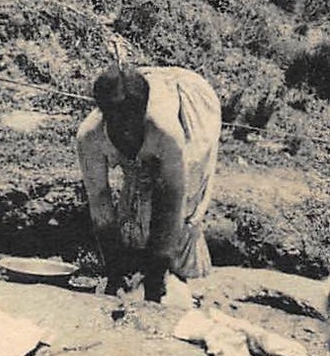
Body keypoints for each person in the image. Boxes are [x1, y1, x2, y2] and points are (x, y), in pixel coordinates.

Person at [75, 62, 222, 302]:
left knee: (186, 199)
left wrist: (155, 280)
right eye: (118, 124)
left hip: (192, 99)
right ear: (104, 117)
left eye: (133, 123)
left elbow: (171, 204)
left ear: (143, 112)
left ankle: (177, 272)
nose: (126, 132)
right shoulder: (89, 136)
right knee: (136, 197)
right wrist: (114, 270)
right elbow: (99, 201)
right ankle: (136, 263)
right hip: (150, 95)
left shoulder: (166, 132)